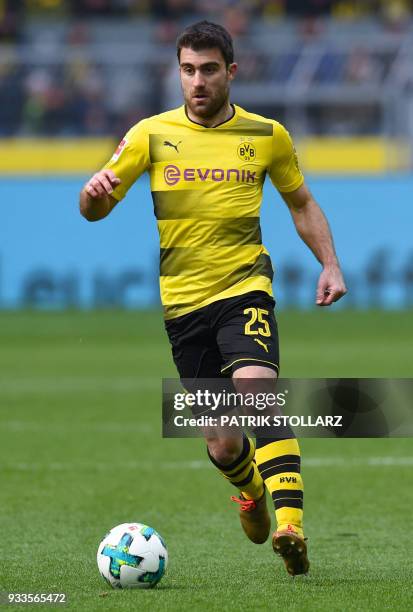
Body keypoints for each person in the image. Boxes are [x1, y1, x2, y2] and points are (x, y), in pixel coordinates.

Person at [79, 20, 347, 576]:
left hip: (244, 286)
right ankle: (250, 491)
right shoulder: (150, 134)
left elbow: (300, 203)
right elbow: (98, 207)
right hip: (182, 305)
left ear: (231, 70)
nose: (196, 81)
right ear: (178, 73)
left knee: (257, 393)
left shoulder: (265, 135)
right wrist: (91, 196)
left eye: (207, 70)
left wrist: (329, 262)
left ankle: (292, 527)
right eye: (187, 70)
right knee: (224, 443)